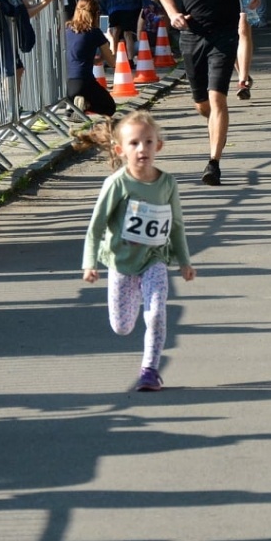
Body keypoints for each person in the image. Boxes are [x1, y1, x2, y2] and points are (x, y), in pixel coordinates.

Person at [81, 111, 195, 392]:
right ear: (120, 151)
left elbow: (177, 225)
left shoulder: (167, 183)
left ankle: (150, 370)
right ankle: (141, 350)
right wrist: (90, 263)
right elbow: (95, 227)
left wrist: (184, 261)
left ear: (159, 146)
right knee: (122, 327)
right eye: (134, 143)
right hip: (121, 262)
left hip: (153, 259)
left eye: (148, 142)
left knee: (155, 314)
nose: (142, 148)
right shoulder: (117, 184)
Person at [156, 0, 253, 186]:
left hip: (224, 31)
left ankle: (213, 163)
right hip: (192, 32)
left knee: (217, 97)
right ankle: (216, 124)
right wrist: (173, 13)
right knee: (201, 104)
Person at [65, 0, 115, 118]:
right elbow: (112, 62)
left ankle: (73, 107)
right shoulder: (94, 32)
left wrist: (95, 60)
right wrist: (111, 39)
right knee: (109, 108)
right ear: (96, 14)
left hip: (67, 84)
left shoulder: (67, 30)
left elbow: (76, 57)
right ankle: (85, 104)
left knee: (78, 98)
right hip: (84, 81)